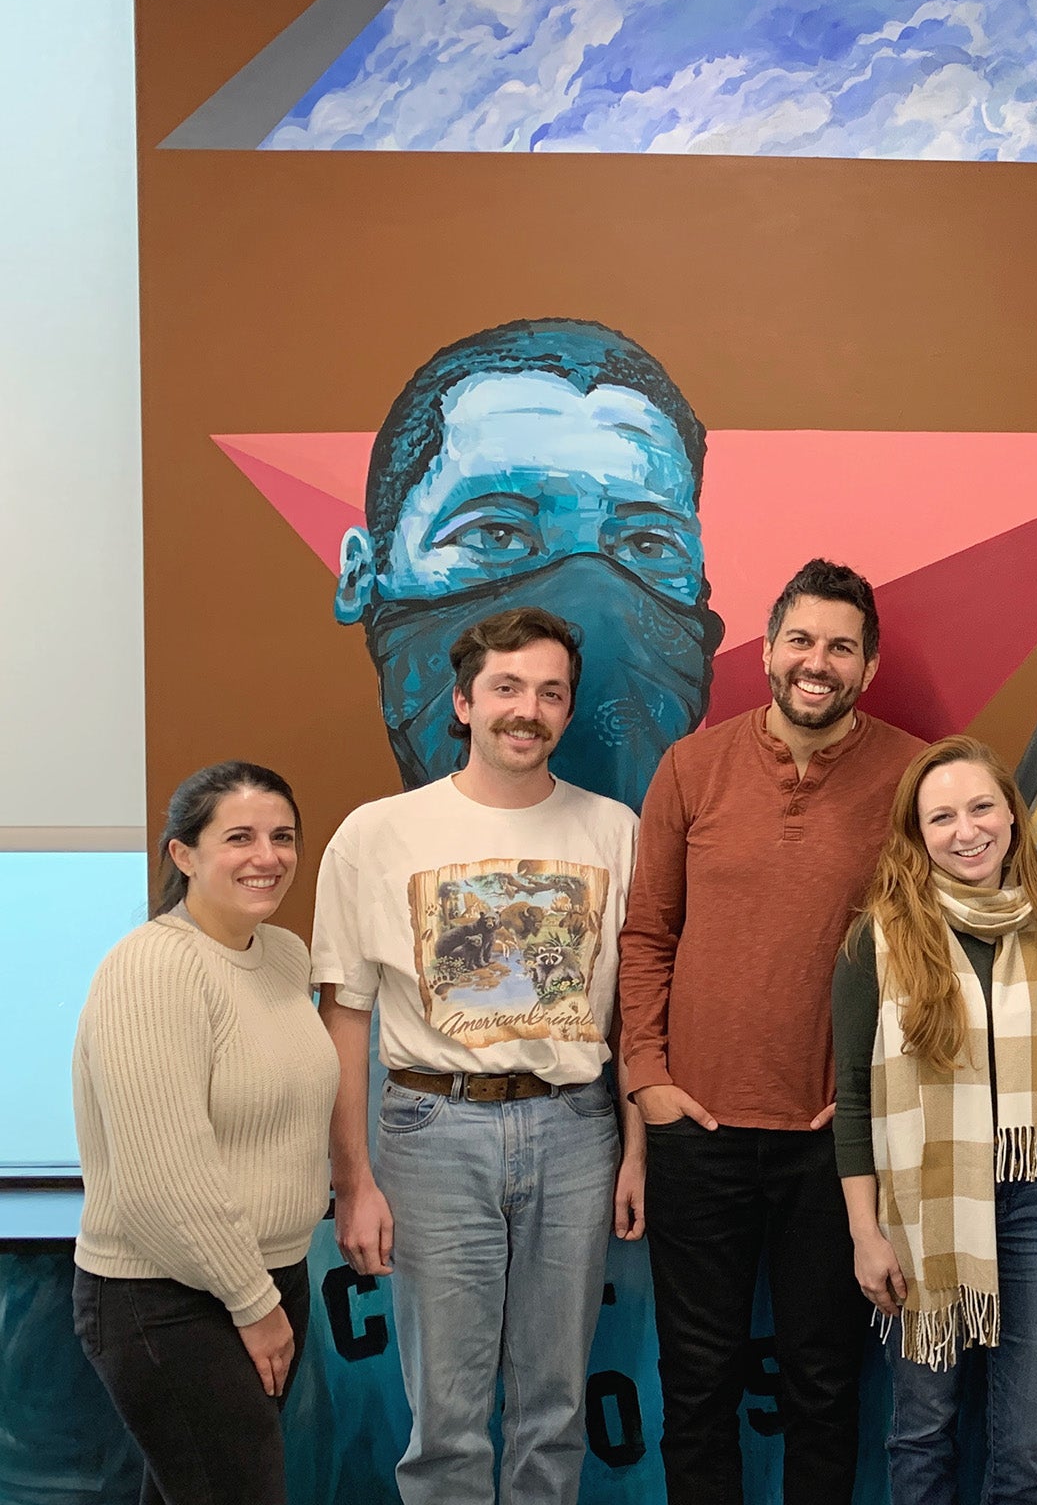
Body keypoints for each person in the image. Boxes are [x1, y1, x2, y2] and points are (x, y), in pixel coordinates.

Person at [313, 606, 645, 1505]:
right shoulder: (376, 836)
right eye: (506, 688)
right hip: (431, 1129)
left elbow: (637, 1011)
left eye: (549, 693)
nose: (526, 710)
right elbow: (345, 1017)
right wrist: (355, 1181)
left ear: (568, 711)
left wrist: (635, 1152)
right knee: (447, 1424)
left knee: (553, 1411)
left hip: (577, 1133)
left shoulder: (614, 831)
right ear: (463, 703)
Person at [616, 558, 925, 1504]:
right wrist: (647, 1080)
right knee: (697, 1390)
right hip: (695, 1134)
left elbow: (934, 941)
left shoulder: (913, 773)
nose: (816, 662)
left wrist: (876, 1098)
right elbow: (646, 936)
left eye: (840, 646)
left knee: (826, 1389)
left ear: (868, 666)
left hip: (835, 1147)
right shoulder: (691, 766)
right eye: (800, 639)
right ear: (767, 646)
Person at [834, 737, 1037, 1505]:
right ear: (918, 835)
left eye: (982, 807)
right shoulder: (875, 940)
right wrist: (865, 1232)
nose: (966, 830)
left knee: (1026, 1448)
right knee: (922, 1430)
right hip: (926, 1209)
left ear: (1012, 817)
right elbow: (853, 1093)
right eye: (940, 816)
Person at [71, 762, 338, 1505]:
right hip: (165, 1296)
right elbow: (164, 1179)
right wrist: (254, 1305)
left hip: (273, 1276)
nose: (269, 857)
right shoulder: (152, 969)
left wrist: (271, 1291)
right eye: (240, 837)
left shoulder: (284, 955)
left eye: (283, 837)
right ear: (183, 854)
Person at [334, 317, 725, 809]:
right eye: (497, 534)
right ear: (361, 575)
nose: (579, 615)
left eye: (648, 545)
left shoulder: (627, 844)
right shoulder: (370, 848)